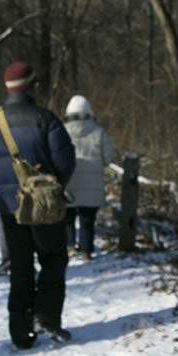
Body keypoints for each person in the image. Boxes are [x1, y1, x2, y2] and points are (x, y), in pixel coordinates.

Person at [0, 61, 75, 348]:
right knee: (53, 259)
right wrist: (53, 187)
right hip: (46, 207)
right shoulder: (46, 119)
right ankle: (46, 317)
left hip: (9, 208)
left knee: (20, 265)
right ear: (31, 86)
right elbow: (65, 161)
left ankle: (20, 330)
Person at [61, 95, 116, 261]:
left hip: (69, 182)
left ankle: (69, 245)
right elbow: (108, 157)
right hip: (93, 185)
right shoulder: (99, 132)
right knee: (87, 219)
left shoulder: (62, 131)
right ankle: (86, 251)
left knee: (68, 216)